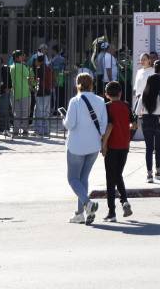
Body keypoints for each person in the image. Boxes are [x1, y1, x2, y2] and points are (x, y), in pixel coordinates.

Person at [63, 72, 106, 225]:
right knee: (83, 179)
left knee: (73, 179)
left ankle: (88, 204)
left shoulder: (75, 101)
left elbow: (70, 124)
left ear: (77, 84)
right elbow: (103, 126)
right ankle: (80, 213)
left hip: (76, 145)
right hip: (93, 145)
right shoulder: (100, 101)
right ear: (92, 84)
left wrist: (63, 120)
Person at [101, 81, 133, 221]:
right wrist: (127, 136)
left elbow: (109, 126)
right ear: (120, 93)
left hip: (112, 145)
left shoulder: (106, 107)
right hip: (124, 146)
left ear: (106, 94)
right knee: (118, 174)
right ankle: (124, 201)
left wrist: (104, 144)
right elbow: (134, 124)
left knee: (111, 178)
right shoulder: (126, 105)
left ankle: (112, 212)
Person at [136, 71, 160, 182]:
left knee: (148, 148)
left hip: (146, 120)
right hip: (159, 120)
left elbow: (137, 112)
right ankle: (158, 171)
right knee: (158, 147)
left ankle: (149, 175)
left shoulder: (143, 95)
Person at [8, 50, 32, 137]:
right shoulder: (22, 67)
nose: (23, 57)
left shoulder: (11, 67)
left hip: (14, 93)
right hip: (24, 92)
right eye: (22, 56)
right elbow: (29, 76)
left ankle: (15, 131)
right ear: (18, 58)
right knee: (25, 113)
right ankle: (25, 131)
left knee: (16, 113)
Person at [32, 52, 54, 136]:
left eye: (36, 61)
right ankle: (46, 130)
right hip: (48, 92)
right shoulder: (48, 68)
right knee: (46, 112)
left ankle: (39, 130)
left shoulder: (39, 69)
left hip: (41, 92)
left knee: (39, 112)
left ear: (38, 61)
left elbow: (37, 81)